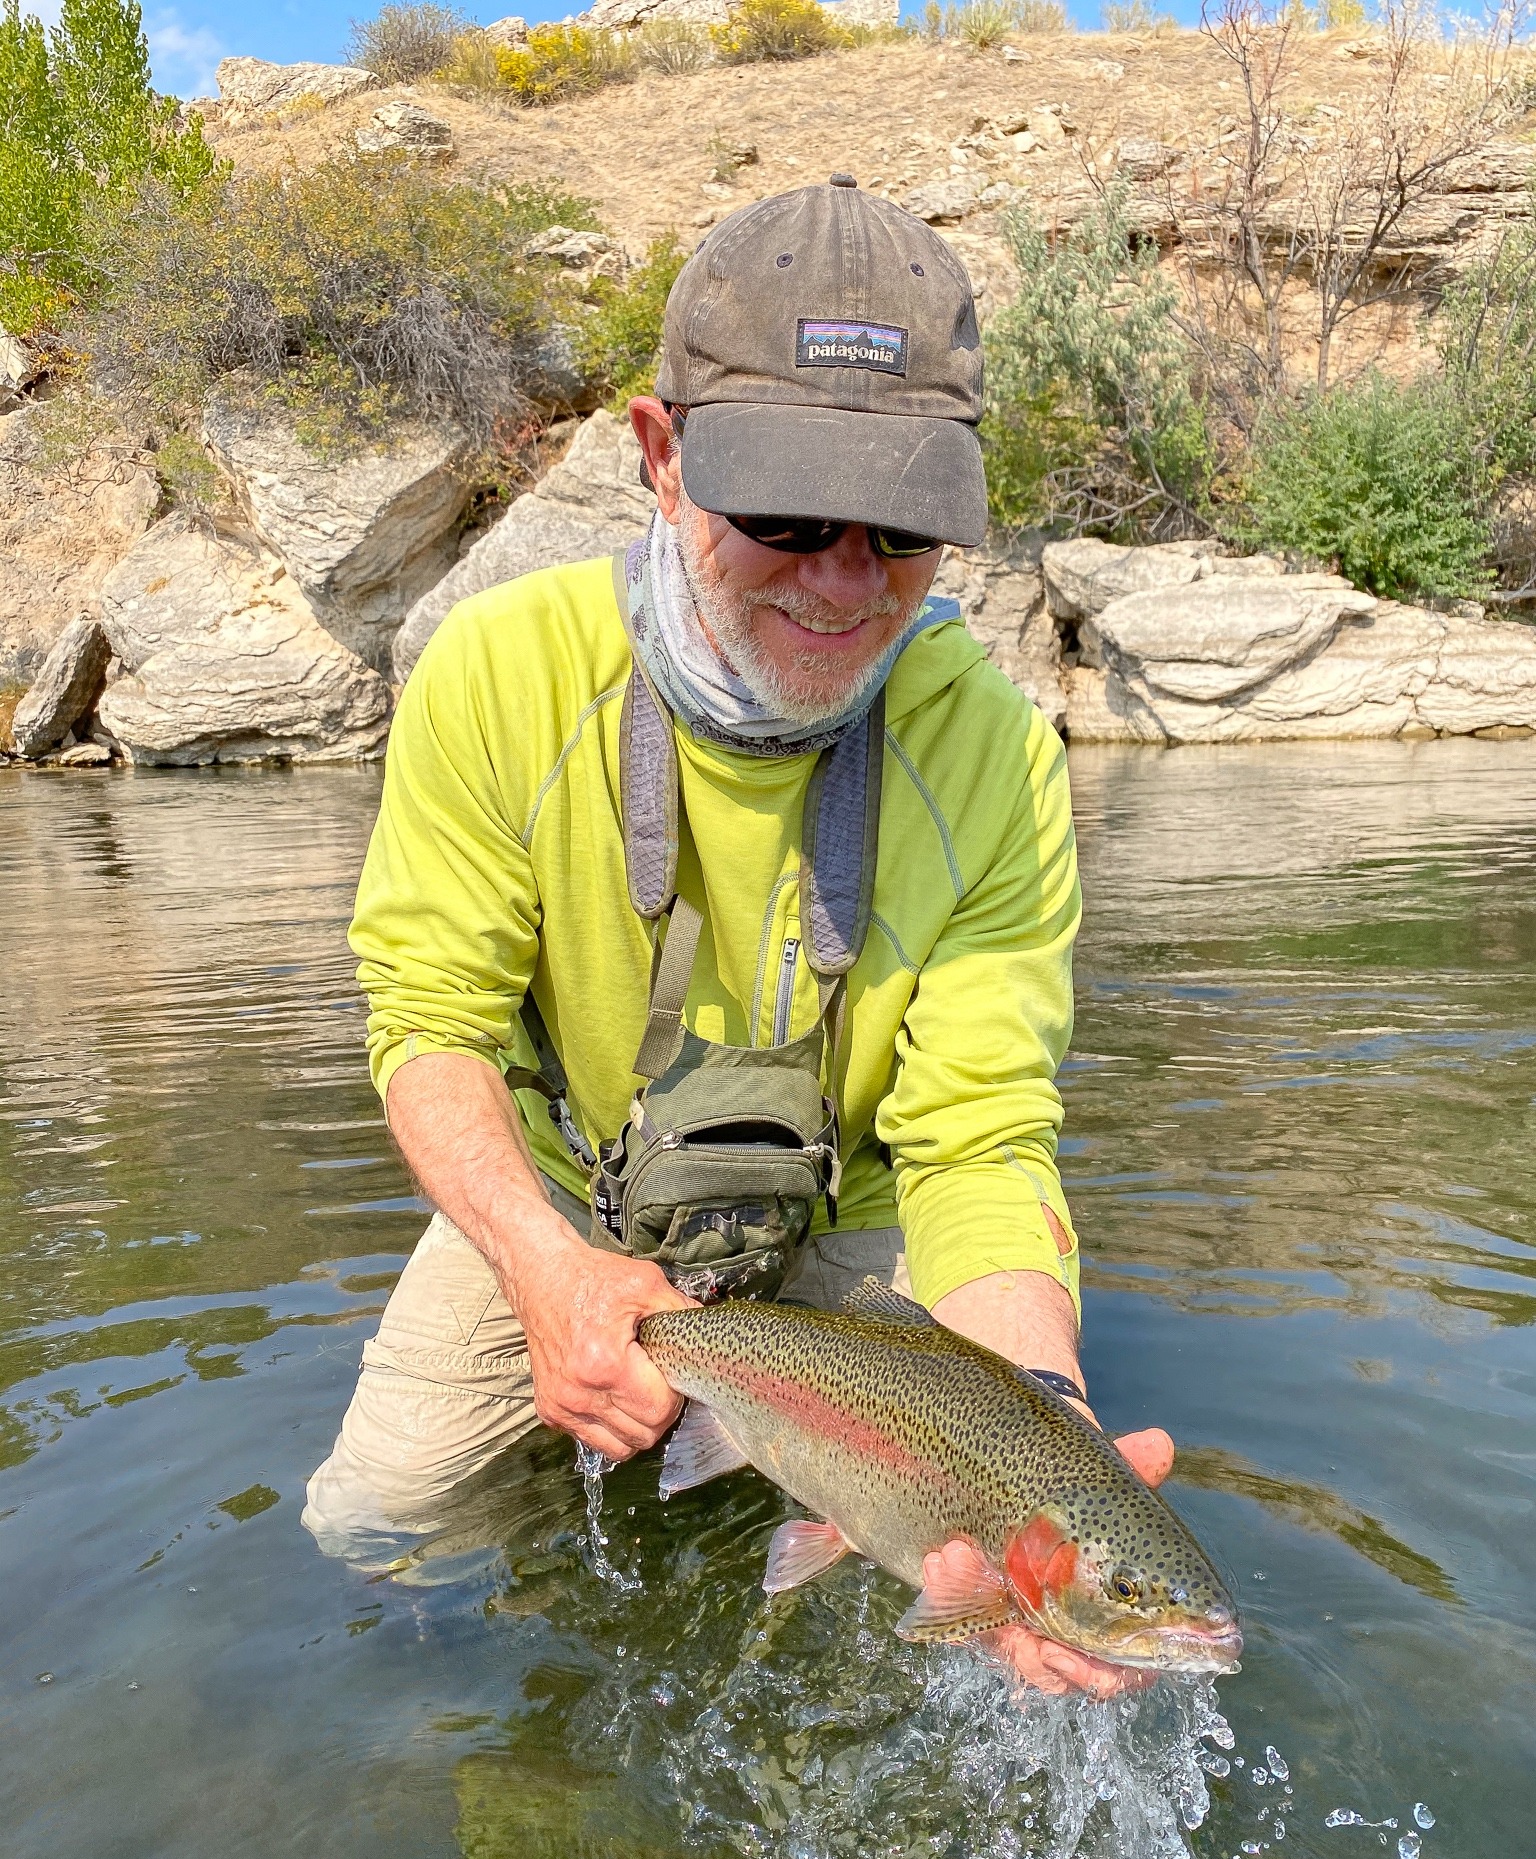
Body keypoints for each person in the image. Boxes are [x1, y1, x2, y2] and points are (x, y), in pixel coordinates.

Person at [304, 175, 1174, 1698]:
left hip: (850, 1226)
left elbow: (978, 1136)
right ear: (659, 456)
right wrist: (540, 1265)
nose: (846, 580)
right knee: (378, 1528)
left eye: (903, 525)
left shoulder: (994, 755)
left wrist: (1039, 1414)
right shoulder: (500, 674)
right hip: (565, 1202)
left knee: (949, 1626)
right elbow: (427, 1023)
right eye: (781, 510)